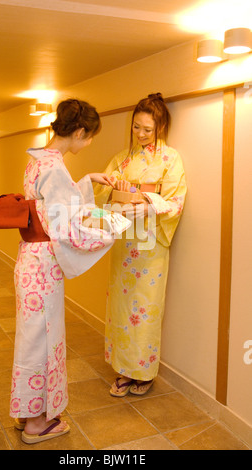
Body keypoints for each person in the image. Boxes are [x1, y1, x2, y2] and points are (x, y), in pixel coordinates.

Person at [10, 98, 118, 444]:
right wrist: (111, 228)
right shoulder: (55, 169)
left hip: (30, 258)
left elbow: (53, 203)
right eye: (89, 138)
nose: (88, 144)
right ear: (80, 132)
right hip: (43, 266)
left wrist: (87, 179)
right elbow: (67, 227)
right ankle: (37, 424)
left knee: (31, 338)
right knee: (42, 340)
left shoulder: (39, 160)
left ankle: (28, 411)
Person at [94, 93, 187, 397]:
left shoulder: (170, 159)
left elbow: (176, 201)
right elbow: (99, 193)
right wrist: (114, 187)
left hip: (151, 245)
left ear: (160, 127)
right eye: (136, 127)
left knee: (145, 308)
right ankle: (122, 370)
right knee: (121, 308)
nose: (141, 134)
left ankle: (143, 372)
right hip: (124, 242)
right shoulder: (123, 158)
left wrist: (149, 203)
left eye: (148, 129)